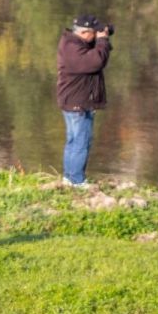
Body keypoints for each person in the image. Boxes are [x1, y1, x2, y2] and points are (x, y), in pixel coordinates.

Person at [56, 14, 113, 187]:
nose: (96, 35)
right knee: (81, 142)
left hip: (72, 100)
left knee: (73, 140)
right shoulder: (73, 49)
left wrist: (103, 36)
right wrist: (103, 41)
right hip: (78, 103)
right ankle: (77, 180)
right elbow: (96, 61)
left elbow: (95, 54)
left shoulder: (72, 42)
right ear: (84, 33)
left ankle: (69, 177)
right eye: (94, 32)